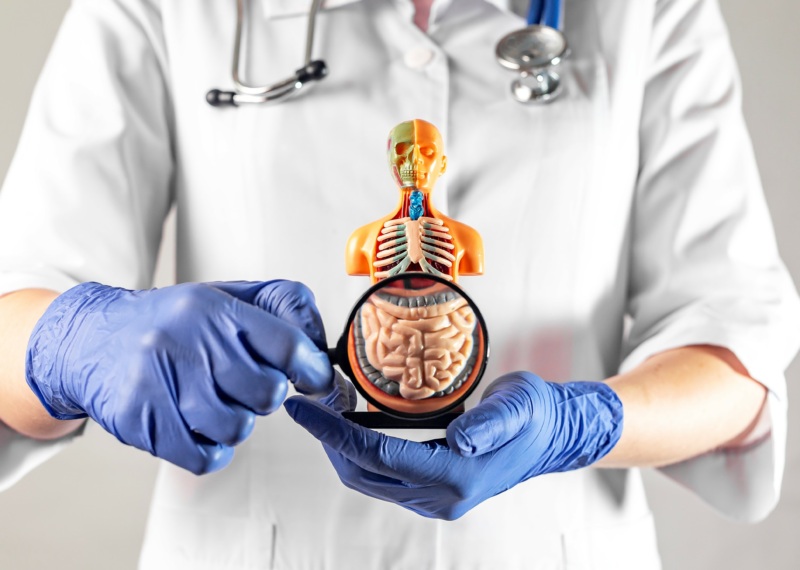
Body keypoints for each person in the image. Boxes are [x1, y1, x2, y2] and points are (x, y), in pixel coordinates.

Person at [0, 0, 798, 567]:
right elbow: (14, 309)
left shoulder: (655, 11)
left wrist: (582, 424)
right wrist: (71, 344)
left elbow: (739, 344)